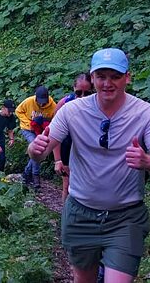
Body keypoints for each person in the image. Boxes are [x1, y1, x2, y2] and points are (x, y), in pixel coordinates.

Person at [28, 48, 150, 283]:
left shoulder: (146, 114)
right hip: (80, 214)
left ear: (127, 77)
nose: (107, 83)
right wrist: (34, 151)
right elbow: (42, 150)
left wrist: (148, 161)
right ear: (92, 78)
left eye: (115, 76)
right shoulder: (71, 111)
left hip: (126, 218)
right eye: (101, 76)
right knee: (83, 279)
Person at [56, 73, 94, 203]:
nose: (82, 97)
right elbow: (54, 135)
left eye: (87, 93)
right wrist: (58, 160)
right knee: (67, 185)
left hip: (87, 152)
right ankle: (65, 218)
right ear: (73, 89)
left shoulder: (98, 106)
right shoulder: (64, 104)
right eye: (78, 93)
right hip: (67, 149)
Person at [15, 85, 58, 189]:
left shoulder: (53, 106)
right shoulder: (29, 101)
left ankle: (26, 173)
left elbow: (55, 120)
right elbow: (18, 111)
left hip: (41, 131)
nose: (42, 103)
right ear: (36, 97)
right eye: (40, 101)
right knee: (36, 147)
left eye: (44, 101)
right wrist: (28, 123)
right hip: (28, 129)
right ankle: (36, 177)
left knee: (38, 151)